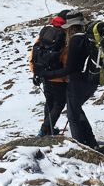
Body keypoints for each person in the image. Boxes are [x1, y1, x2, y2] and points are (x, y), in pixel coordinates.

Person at [38, 14, 99, 149]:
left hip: (76, 81)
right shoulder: (90, 37)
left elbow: (69, 68)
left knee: (72, 116)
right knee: (76, 109)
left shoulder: (74, 40)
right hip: (93, 80)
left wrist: (47, 74)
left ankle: (80, 148)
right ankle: (90, 141)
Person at [32, 10, 70, 137]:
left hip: (43, 74)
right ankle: (44, 130)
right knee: (59, 104)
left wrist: (36, 72)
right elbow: (65, 58)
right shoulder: (65, 35)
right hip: (59, 76)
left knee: (49, 102)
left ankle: (48, 129)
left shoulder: (46, 32)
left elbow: (35, 52)